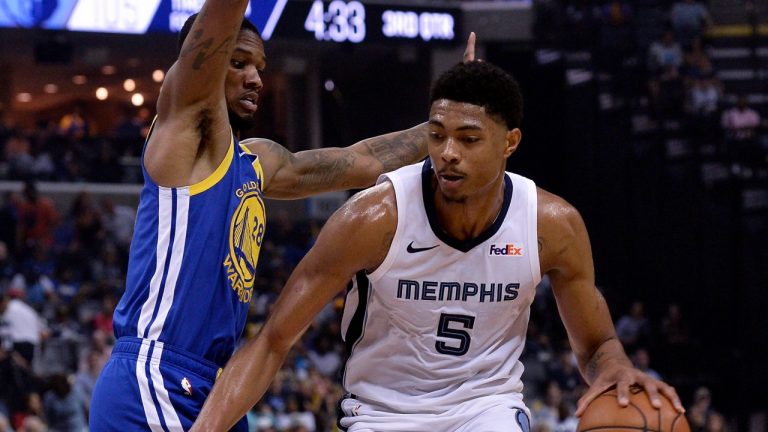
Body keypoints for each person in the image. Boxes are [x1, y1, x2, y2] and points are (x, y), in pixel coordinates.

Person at [191, 60, 685, 431]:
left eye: (469, 139)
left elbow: (597, 344)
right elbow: (274, 339)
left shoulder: (552, 225)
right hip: (381, 412)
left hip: (486, 408)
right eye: (437, 135)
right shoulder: (374, 217)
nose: (448, 153)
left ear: (509, 142)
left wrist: (616, 369)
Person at [88, 1, 476, 430]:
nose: (255, 78)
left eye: (259, 65)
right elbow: (215, 25)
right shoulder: (182, 131)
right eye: (238, 63)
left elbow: (362, 160)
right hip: (154, 375)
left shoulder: (258, 161)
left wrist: (444, 123)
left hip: (218, 386)